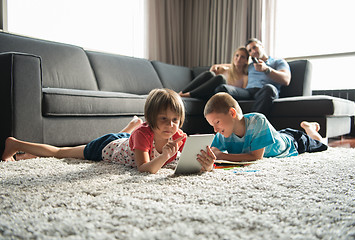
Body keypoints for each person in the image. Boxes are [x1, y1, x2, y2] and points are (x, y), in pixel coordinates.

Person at [1, 88, 216, 174]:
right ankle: (15, 144)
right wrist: (167, 155)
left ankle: (128, 129)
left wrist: (206, 164)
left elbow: (190, 163)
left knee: (128, 137)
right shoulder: (144, 135)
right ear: (151, 119)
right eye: (164, 119)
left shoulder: (179, 136)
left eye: (175, 120)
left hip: (127, 141)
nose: (171, 125)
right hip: (107, 146)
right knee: (61, 153)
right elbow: (144, 169)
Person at [203, 92, 328, 162]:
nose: (215, 129)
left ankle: (310, 128)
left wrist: (223, 156)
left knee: (318, 142)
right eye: (212, 125)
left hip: (293, 141)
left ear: (232, 113)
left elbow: (256, 157)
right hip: (273, 136)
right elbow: (210, 151)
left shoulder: (258, 121)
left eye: (217, 122)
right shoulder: (222, 134)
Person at [214, 38, 291, 117]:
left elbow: (286, 80)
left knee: (269, 88)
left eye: (254, 47)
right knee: (222, 89)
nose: (253, 51)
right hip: (248, 91)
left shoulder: (277, 62)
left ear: (261, 46)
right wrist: (218, 66)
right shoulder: (250, 65)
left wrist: (266, 69)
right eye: (250, 51)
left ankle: (252, 124)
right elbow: (235, 64)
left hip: (265, 91)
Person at [179, 47, 249, 100]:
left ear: (246, 60)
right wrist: (216, 66)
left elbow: (242, 93)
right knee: (209, 74)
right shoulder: (224, 69)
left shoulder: (245, 77)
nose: (238, 58)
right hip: (203, 92)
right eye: (237, 55)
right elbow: (212, 71)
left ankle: (189, 94)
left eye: (242, 57)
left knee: (221, 78)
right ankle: (182, 93)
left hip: (217, 96)